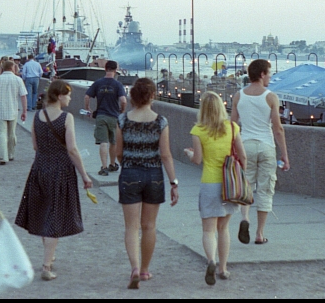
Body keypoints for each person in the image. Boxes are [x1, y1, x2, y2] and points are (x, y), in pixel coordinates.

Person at [15, 79, 93, 281]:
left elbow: (35, 145)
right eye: (68, 95)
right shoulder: (66, 118)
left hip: (39, 169)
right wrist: (84, 175)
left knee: (45, 213)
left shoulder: (37, 116)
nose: (70, 98)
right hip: (60, 172)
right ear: (59, 96)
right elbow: (72, 149)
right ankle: (46, 266)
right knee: (55, 218)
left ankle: (49, 255)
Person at [116, 78, 179, 289]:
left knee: (131, 227)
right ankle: (144, 270)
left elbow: (118, 152)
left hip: (130, 173)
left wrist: (128, 165)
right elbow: (166, 155)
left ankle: (134, 267)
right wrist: (174, 182)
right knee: (149, 226)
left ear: (133, 96)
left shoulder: (122, 120)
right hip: (154, 175)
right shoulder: (161, 121)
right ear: (152, 96)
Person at [185, 91, 246, 285]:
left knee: (208, 230)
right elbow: (243, 156)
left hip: (209, 183)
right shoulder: (233, 127)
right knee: (223, 228)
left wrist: (189, 154)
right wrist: (242, 177)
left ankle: (211, 260)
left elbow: (197, 160)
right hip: (229, 184)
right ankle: (223, 268)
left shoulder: (198, 130)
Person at [231, 58, 289, 246]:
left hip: (245, 145)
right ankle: (259, 233)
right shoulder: (271, 97)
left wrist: (231, 149)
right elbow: (278, 128)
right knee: (265, 189)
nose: (270, 77)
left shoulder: (238, 96)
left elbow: (232, 125)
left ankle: (245, 218)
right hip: (266, 146)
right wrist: (284, 154)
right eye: (269, 73)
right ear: (262, 74)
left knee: (246, 185)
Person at [83, 60, 127, 176]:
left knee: (103, 142)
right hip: (114, 116)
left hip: (101, 116)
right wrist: (122, 111)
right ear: (116, 70)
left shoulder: (98, 83)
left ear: (105, 69)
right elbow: (123, 101)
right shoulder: (118, 85)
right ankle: (112, 164)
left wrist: (88, 108)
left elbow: (87, 96)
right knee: (113, 142)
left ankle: (104, 167)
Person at [0, 59, 28, 164]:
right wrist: (24, 111)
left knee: (1, 133)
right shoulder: (18, 80)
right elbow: (23, 96)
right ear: (12, 67)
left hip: (1, 110)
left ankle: (3, 156)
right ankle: (11, 154)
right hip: (13, 110)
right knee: (12, 133)